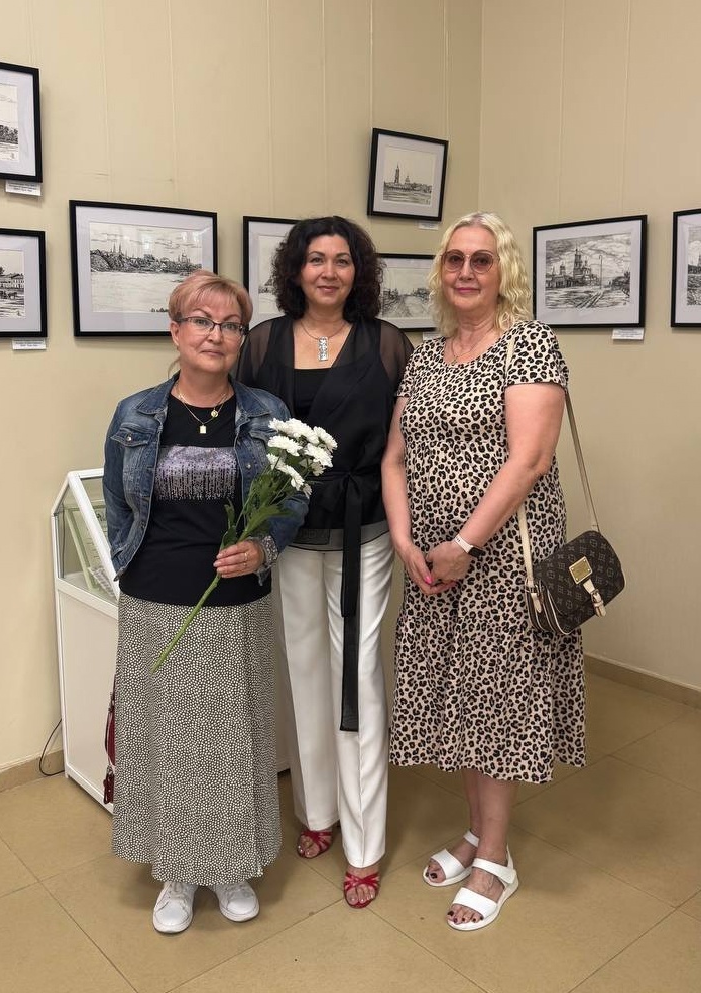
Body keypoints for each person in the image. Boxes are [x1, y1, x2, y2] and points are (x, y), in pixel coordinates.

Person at [381, 212, 585, 931]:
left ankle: (496, 859)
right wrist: (406, 541)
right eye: (455, 259)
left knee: (496, 703)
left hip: (500, 563)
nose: (466, 271)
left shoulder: (528, 344)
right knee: (462, 698)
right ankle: (476, 832)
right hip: (435, 562)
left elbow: (528, 460)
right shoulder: (427, 355)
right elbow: (394, 458)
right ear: (441, 271)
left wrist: (464, 543)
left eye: (483, 259)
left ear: (505, 272)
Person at [103, 270, 308, 934]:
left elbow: (293, 499)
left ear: (241, 338)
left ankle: (231, 866)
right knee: (164, 741)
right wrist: (128, 564)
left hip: (236, 602)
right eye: (201, 320)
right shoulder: (135, 414)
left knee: (233, 740)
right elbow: (117, 502)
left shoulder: (267, 413)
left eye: (229, 324)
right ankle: (177, 873)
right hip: (155, 599)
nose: (215, 335)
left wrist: (263, 548)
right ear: (176, 330)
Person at [236, 215, 413, 908]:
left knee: (357, 676)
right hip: (287, 529)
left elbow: (403, 448)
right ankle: (317, 812)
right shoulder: (262, 343)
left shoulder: (387, 343)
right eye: (316, 259)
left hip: (362, 527)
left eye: (342, 260)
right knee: (304, 668)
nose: (329, 272)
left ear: (358, 271)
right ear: (296, 269)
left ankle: (364, 845)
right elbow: (241, 435)